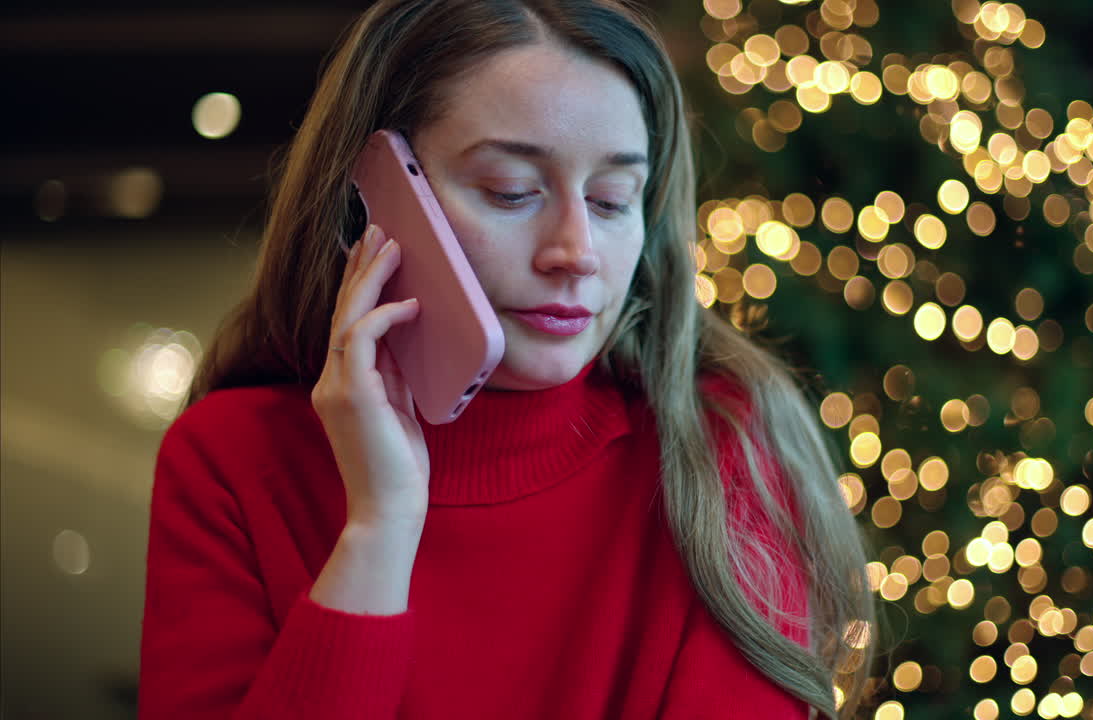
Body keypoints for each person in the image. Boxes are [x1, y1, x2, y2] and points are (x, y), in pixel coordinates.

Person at [139, 1, 877, 718]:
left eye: (614, 200)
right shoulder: (231, 460)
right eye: (511, 191)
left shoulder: (721, 453)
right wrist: (380, 528)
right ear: (373, 197)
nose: (576, 254)